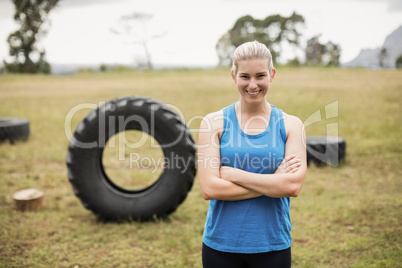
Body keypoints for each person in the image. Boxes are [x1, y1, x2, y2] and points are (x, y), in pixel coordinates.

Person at [198, 40, 307, 268]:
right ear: (233, 76)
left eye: (260, 75)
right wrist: (273, 181)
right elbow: (210, 189)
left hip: (272, 245)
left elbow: (292, 187)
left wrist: (235, 175)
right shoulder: (213, 123)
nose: (253, 85)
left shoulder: (291, 125)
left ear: (272, 74)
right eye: (245, 76)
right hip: (220, 245)